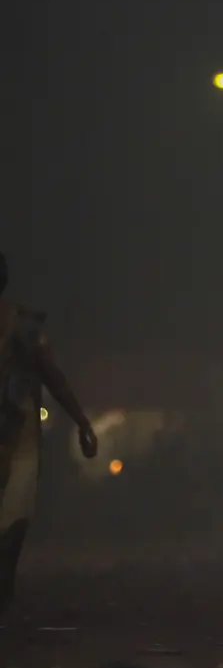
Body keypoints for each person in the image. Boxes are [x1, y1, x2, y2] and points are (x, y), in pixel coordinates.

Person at [0, 251, 98, 615]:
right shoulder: (25, 326)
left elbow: (52, 376)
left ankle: (4, 588)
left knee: (14, 520)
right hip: (20, 431)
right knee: (13, 519)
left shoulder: (25, 328)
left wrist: (83, 422)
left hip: (18, 430)